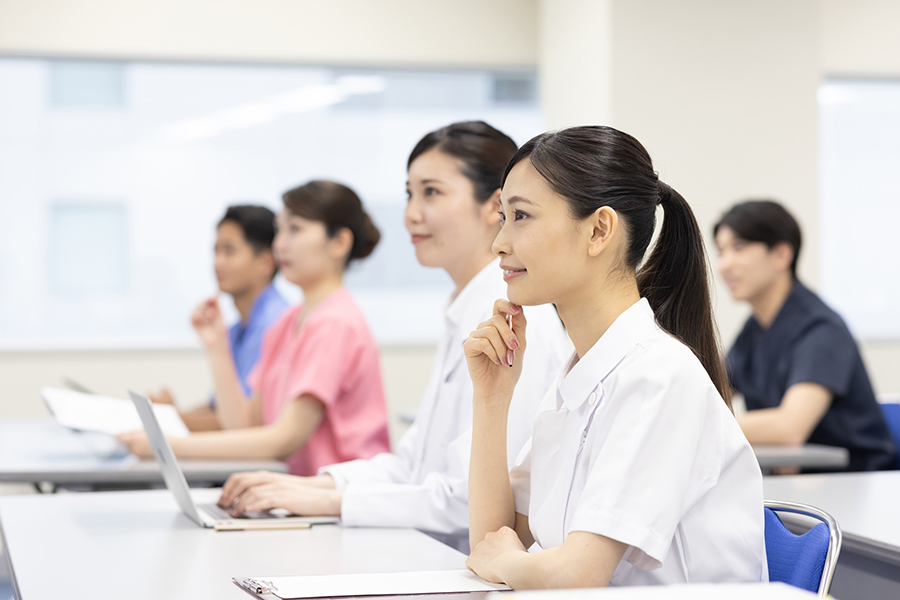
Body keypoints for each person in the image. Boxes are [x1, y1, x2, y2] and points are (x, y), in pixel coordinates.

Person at [216, 121, 571, 549]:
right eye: (409, 193)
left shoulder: (516, 319)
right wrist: (315, 487)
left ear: (493, 207)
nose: (411, 213)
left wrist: (334, 501)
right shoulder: (465, 310)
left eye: (431, 192)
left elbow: (470, 500)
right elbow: (413, 466)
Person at [463, 126, 766, 589]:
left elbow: (575, 574)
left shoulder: (658, 376)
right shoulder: (581, 377)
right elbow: (492, 541)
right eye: (503, 217)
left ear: (599, 229)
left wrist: (509, 562)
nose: (499, 243)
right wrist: (491, 399)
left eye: (521, 216)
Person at [119, 181, 391, 475]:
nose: (280, 244)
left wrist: (166, 445)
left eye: (295, 229)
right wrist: (217, 346)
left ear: (339, 243)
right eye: (281, 230)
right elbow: (244, 425)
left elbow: (284, 440)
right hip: (299, 495)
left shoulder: (336, 323)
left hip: (341, 502)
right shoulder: (288, 323)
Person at [714, 200, 897, 471]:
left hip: (859, 484)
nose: (724, 265)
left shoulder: (822, 328)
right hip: (799, 484)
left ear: (781, 255)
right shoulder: (754, 330)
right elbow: (713, 394)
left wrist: (698, 422)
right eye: (720, 251)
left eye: (738, 248)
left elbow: (789, 428)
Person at [151, 204, 289, 432]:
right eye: (215, 251)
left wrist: (172, 418)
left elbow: (243, 422)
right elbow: (219, 408)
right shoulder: (237, 329)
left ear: (265, 263)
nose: (217, 263)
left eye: (229, 251)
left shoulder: (276, 324)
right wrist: (172, 415)